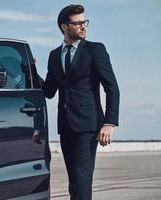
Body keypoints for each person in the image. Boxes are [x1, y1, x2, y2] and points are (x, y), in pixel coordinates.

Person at [42, 4, 120, 200]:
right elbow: (49, 91)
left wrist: (109, 123)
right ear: (64, 27)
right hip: (65, 125)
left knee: (82, 177)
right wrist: (29, 71)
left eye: (84, 22)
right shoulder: (54, 55)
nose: (83, 26)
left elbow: (112, 87)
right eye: (77, 24)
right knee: (74, 180)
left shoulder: (95, 50)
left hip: (88, 124)